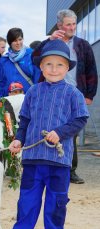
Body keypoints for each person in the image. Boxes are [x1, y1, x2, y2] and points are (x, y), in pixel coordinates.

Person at [0, 39, 89, 229]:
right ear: (41, 67)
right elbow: (25, 121)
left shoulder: (73, 93)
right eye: (49, 64)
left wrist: (60, 132)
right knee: (27, 203)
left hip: (59, 160)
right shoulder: (33, 92)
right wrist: (18, 140)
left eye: (59, 65)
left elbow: (81, 119)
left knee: (56, 204)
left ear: (67, 68)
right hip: (33, 160)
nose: (54, 69)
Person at [33, 9, 98, 184]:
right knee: (49, 128)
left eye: (74, 24)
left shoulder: (83, 45)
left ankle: (71, 170)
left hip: (74, 95)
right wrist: (49, 40)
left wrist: (89, 94)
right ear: (60, 25)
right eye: (68, 24)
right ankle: (47, 166)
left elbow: (91, 70)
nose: (72, 27)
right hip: (51, 93)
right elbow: (35, 57)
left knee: (72, 132)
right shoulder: (50, 43)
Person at [0, 28, 40, 96]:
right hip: (9, 101)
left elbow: (38, 78)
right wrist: (0, 98)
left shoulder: (31, 55)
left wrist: (36, 96)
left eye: (20, 39)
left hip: (28, 99)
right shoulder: (3, 60)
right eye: (15, 40)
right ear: (10, 42)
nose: (18, 43)